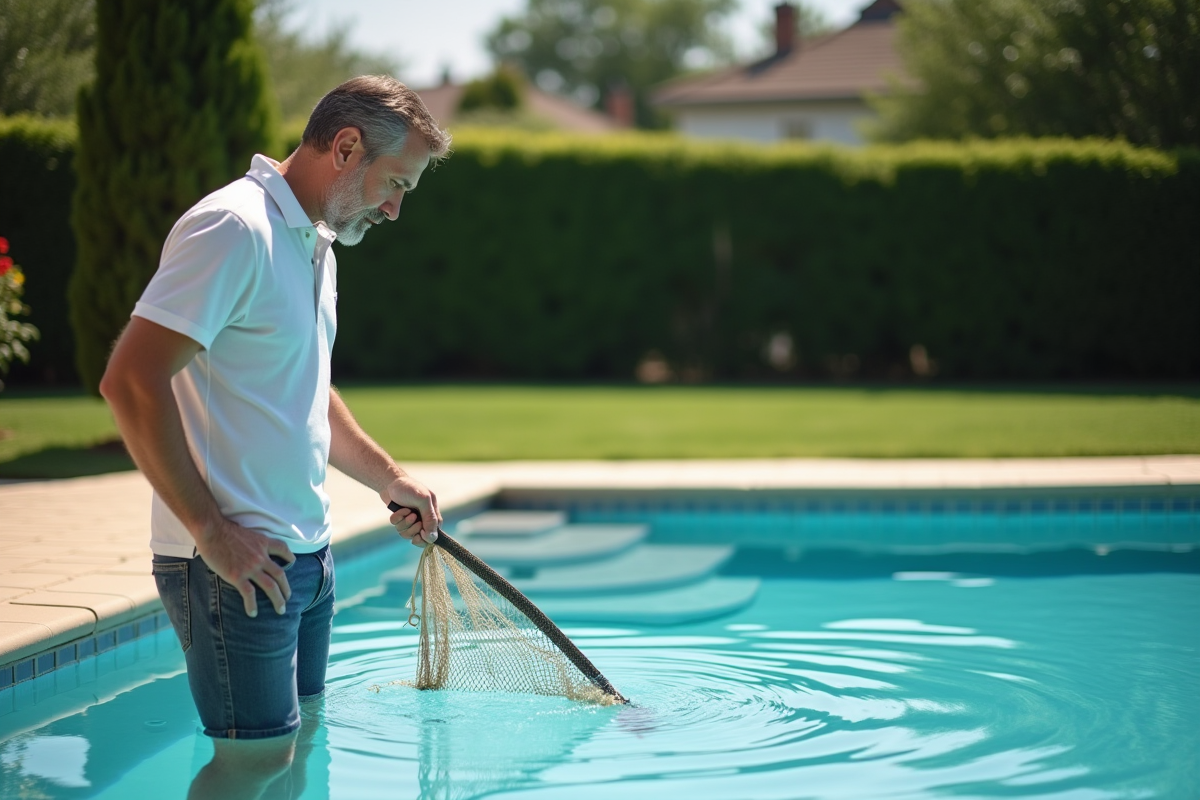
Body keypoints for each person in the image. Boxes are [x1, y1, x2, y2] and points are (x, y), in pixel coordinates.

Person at [99, 76, 453, 798]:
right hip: (238, 569)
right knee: (253, 766)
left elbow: (304, 389)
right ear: (346, 148)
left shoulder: (316, 244)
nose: (395, 207)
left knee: (299, 754)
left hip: (306, 561)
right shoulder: (234, 228)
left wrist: (389, 477)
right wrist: (211, 533)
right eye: (395, 183)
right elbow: (132, 380)